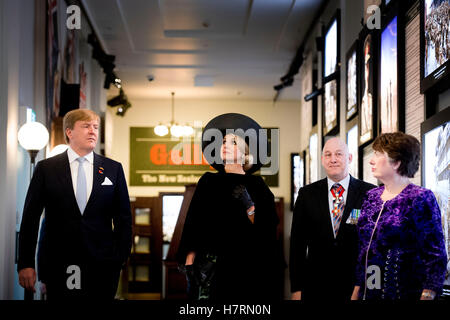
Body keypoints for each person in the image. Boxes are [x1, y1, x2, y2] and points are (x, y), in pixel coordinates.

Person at [18, 109, 132, 300]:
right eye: (86, 126)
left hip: (103, 266)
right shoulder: (46, 169)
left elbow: (124, 219)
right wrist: (26, 263)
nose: (93, 131)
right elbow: (30, 218)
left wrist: (119, 259)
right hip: (59, 264)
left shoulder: (113, 169)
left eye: (95, 127)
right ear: (69, 132)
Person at [177, 113, 283, 301]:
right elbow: (194, 224)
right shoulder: (208, 181)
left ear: (245, 152)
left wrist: (248, 203)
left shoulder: (258, 186)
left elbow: (267, 227)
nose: (224, 146)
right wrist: (190, 264)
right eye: (223, 142)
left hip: (247, 267)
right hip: (211, 267)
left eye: (233, 143)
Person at [351, 132, 447, 300]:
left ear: (396, 162)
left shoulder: (420, 198)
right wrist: (357, 289)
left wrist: (428, 295)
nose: (371, 160)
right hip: (370, 292)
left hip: (404, 293)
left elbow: (435, 257)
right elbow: (363, 250)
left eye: (378, 154)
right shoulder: (371, 196)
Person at [290, 137, 376, 300]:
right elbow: (297, 245)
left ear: (349, 158)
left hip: (355, 287)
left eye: (338, 154)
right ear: (322, 160)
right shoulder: (306, 194)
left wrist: (370, 286)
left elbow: (374, 246)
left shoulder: (369, 193)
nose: (333, 159)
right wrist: (296, 289)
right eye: (328, 155)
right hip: (315, 286)